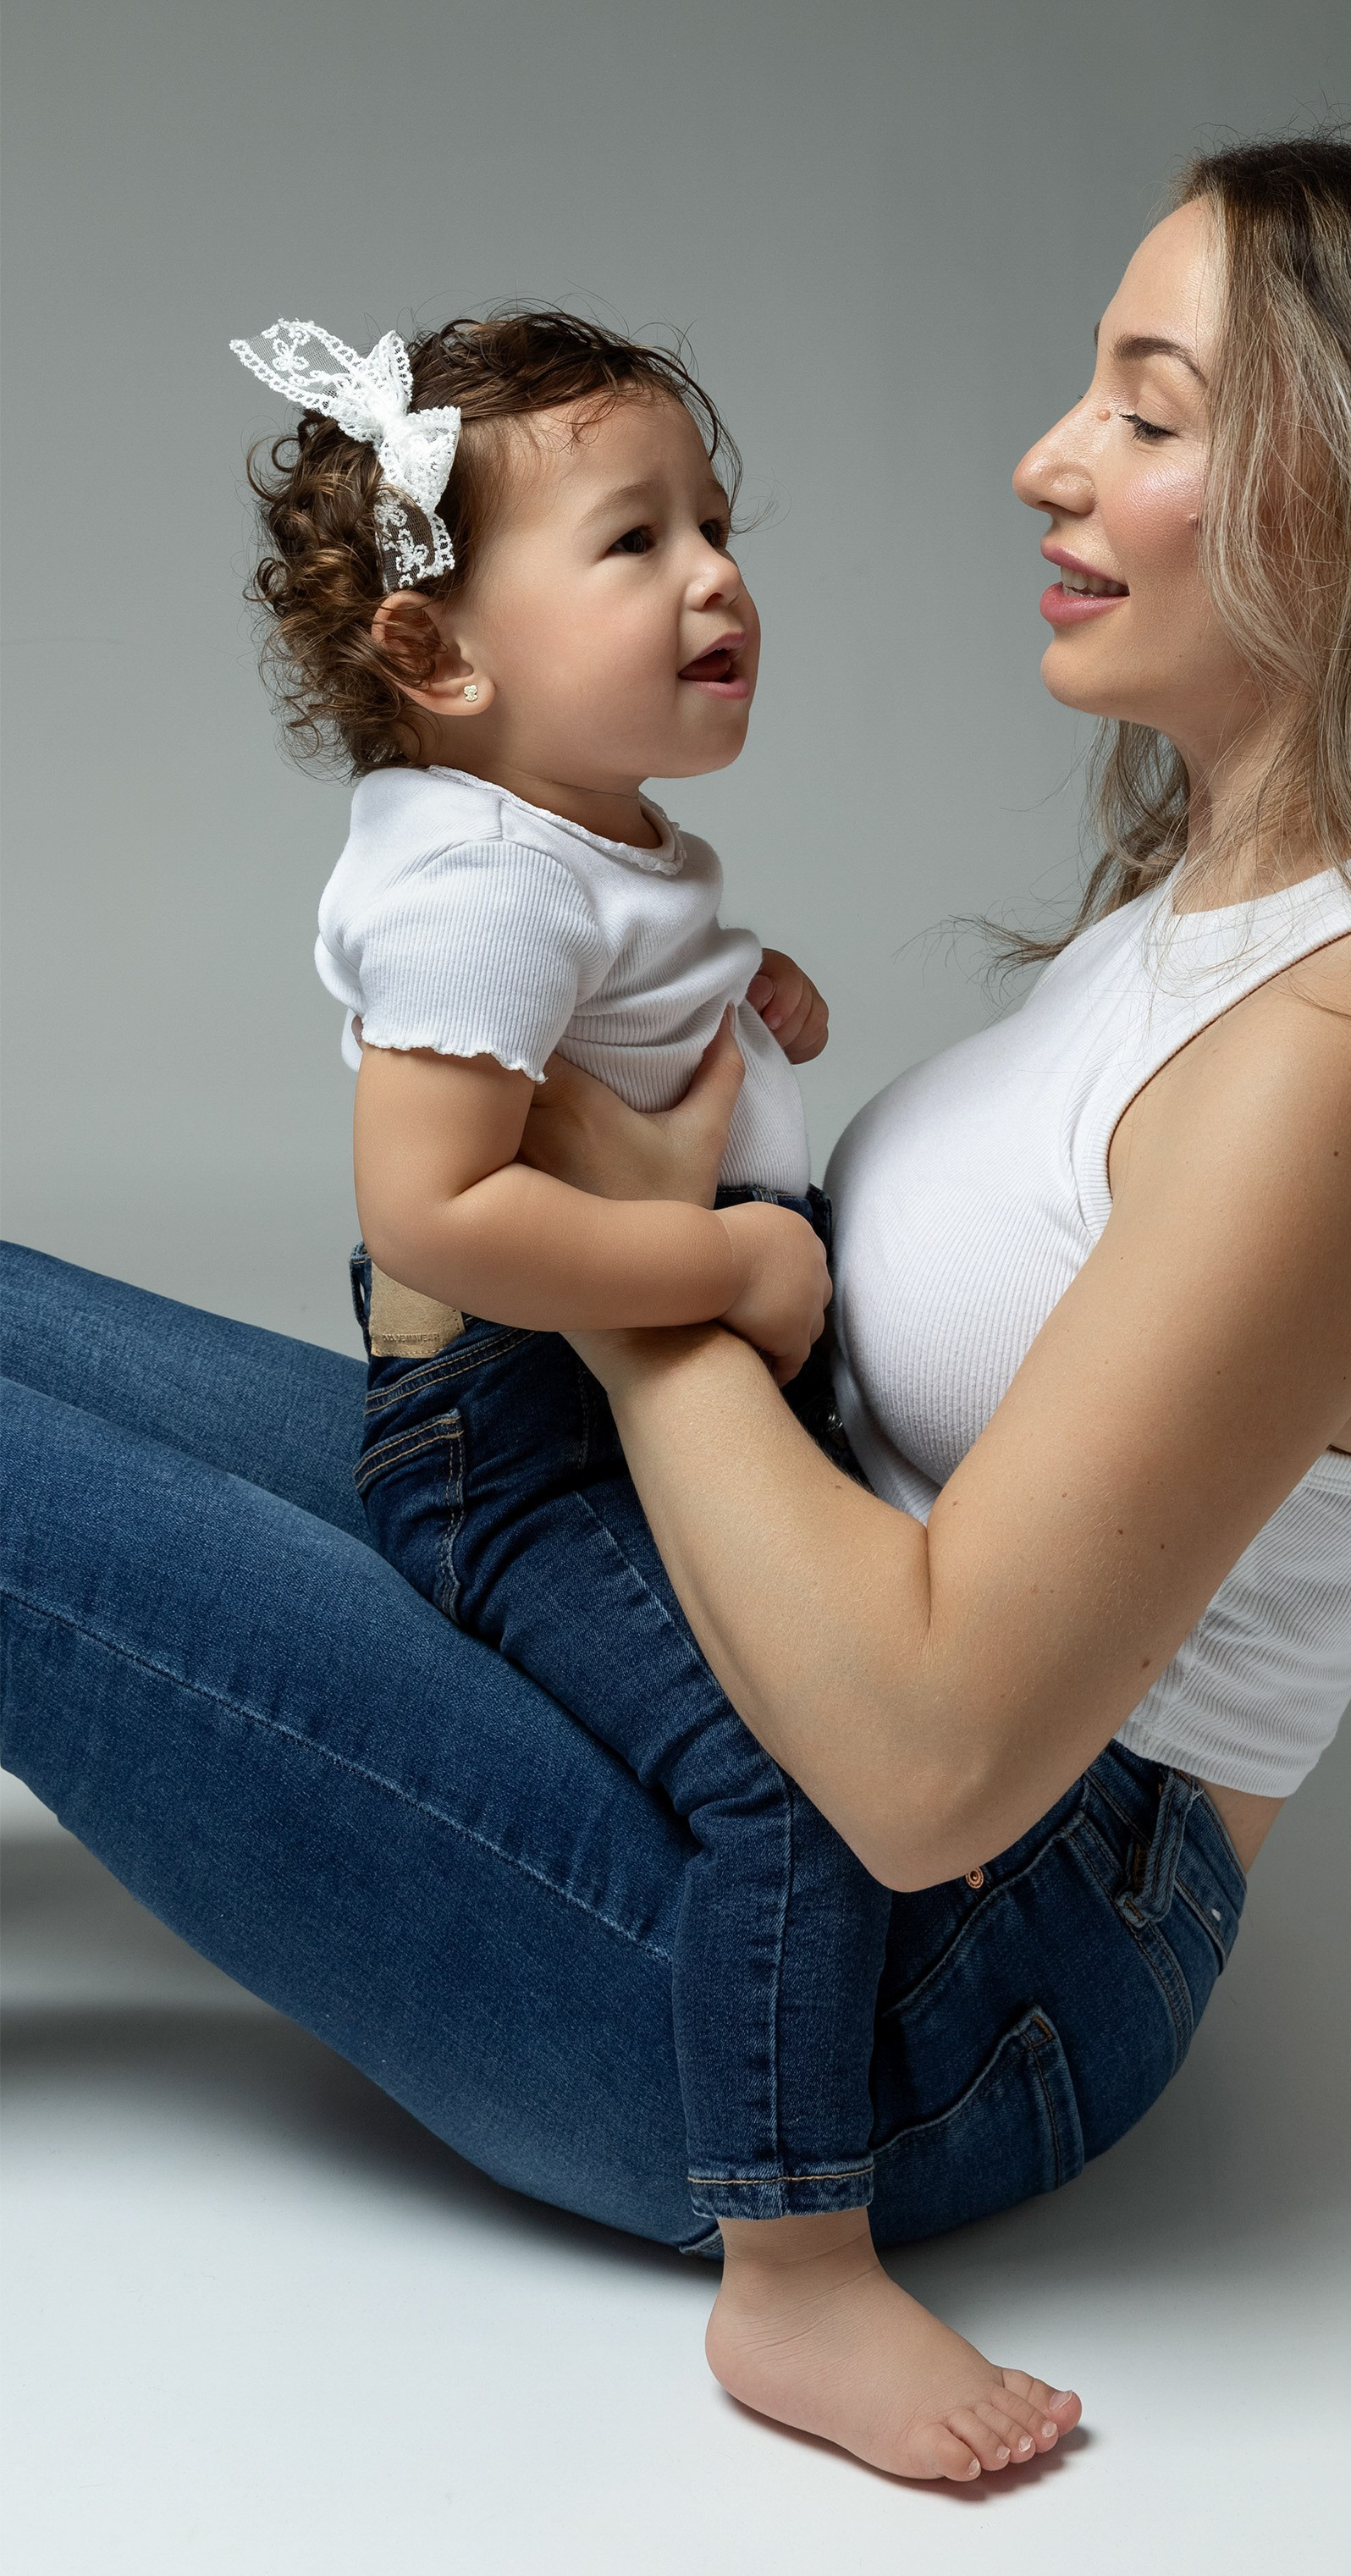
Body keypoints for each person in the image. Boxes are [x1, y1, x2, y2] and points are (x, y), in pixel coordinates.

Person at [0, 136, 1351, 2485]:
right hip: (748, 1626)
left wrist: (642, 1269)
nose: (1046, 457)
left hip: (941, 1983)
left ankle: (791, 2281)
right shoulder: (1223, 901)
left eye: (1149, 412)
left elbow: (928, 1758)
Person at [229, 306, 957, 2431]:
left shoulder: (568, 835)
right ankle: (794, 2262)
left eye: (715, 525)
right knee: (790, 1771)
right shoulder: (477, 891)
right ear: (443, 661)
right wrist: (720, 1267)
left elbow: (620, 983)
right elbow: (444, 1210)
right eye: (634, 542)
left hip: (615, 1397)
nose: (718, 574)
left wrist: (745, 979)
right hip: (524, 1448)